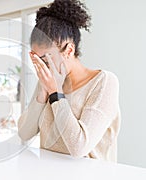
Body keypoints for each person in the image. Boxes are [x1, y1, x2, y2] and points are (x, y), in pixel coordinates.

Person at [18, 0, 121, 162]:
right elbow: (24, 133)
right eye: (36, 60)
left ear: (69, 50)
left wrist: (55, 93)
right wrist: (42, 93)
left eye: (45, 59)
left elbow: (79, 147)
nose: (41, 67)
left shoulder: (104, 83)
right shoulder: (48, 81)